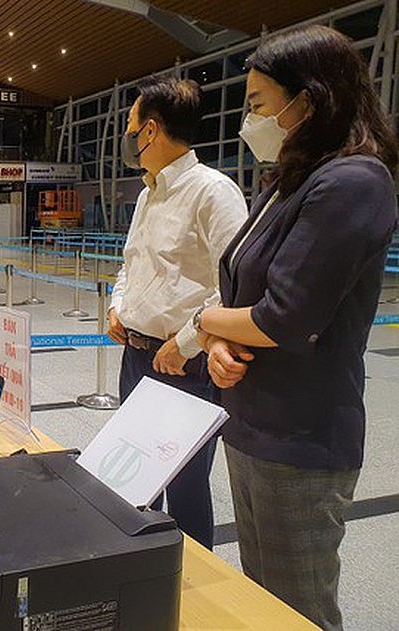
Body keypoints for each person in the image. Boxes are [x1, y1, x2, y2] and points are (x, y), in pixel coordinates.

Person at [195, 25, 397, 631]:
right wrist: (219, 341)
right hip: (250, 419)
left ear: (306, 101)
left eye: (257, 104)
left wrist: (203, 320)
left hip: (302, 438)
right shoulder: (288, 181)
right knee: (262, 604)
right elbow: (243, 288)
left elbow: (286, 317)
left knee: (298, 611)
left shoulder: (354, 182)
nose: (247, 120)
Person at [107, 77, 247, 549]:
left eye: (130, 128)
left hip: (186, 365)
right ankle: (145, 575)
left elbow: (233, 285)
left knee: (186, 488)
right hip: (137, 357)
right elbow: (132, 263)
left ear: (150, 131)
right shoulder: (148, 193)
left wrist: (184, 344)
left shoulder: (213, 192)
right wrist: (117, 307)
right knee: (137, 480)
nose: (127, 139)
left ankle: (191, 595)